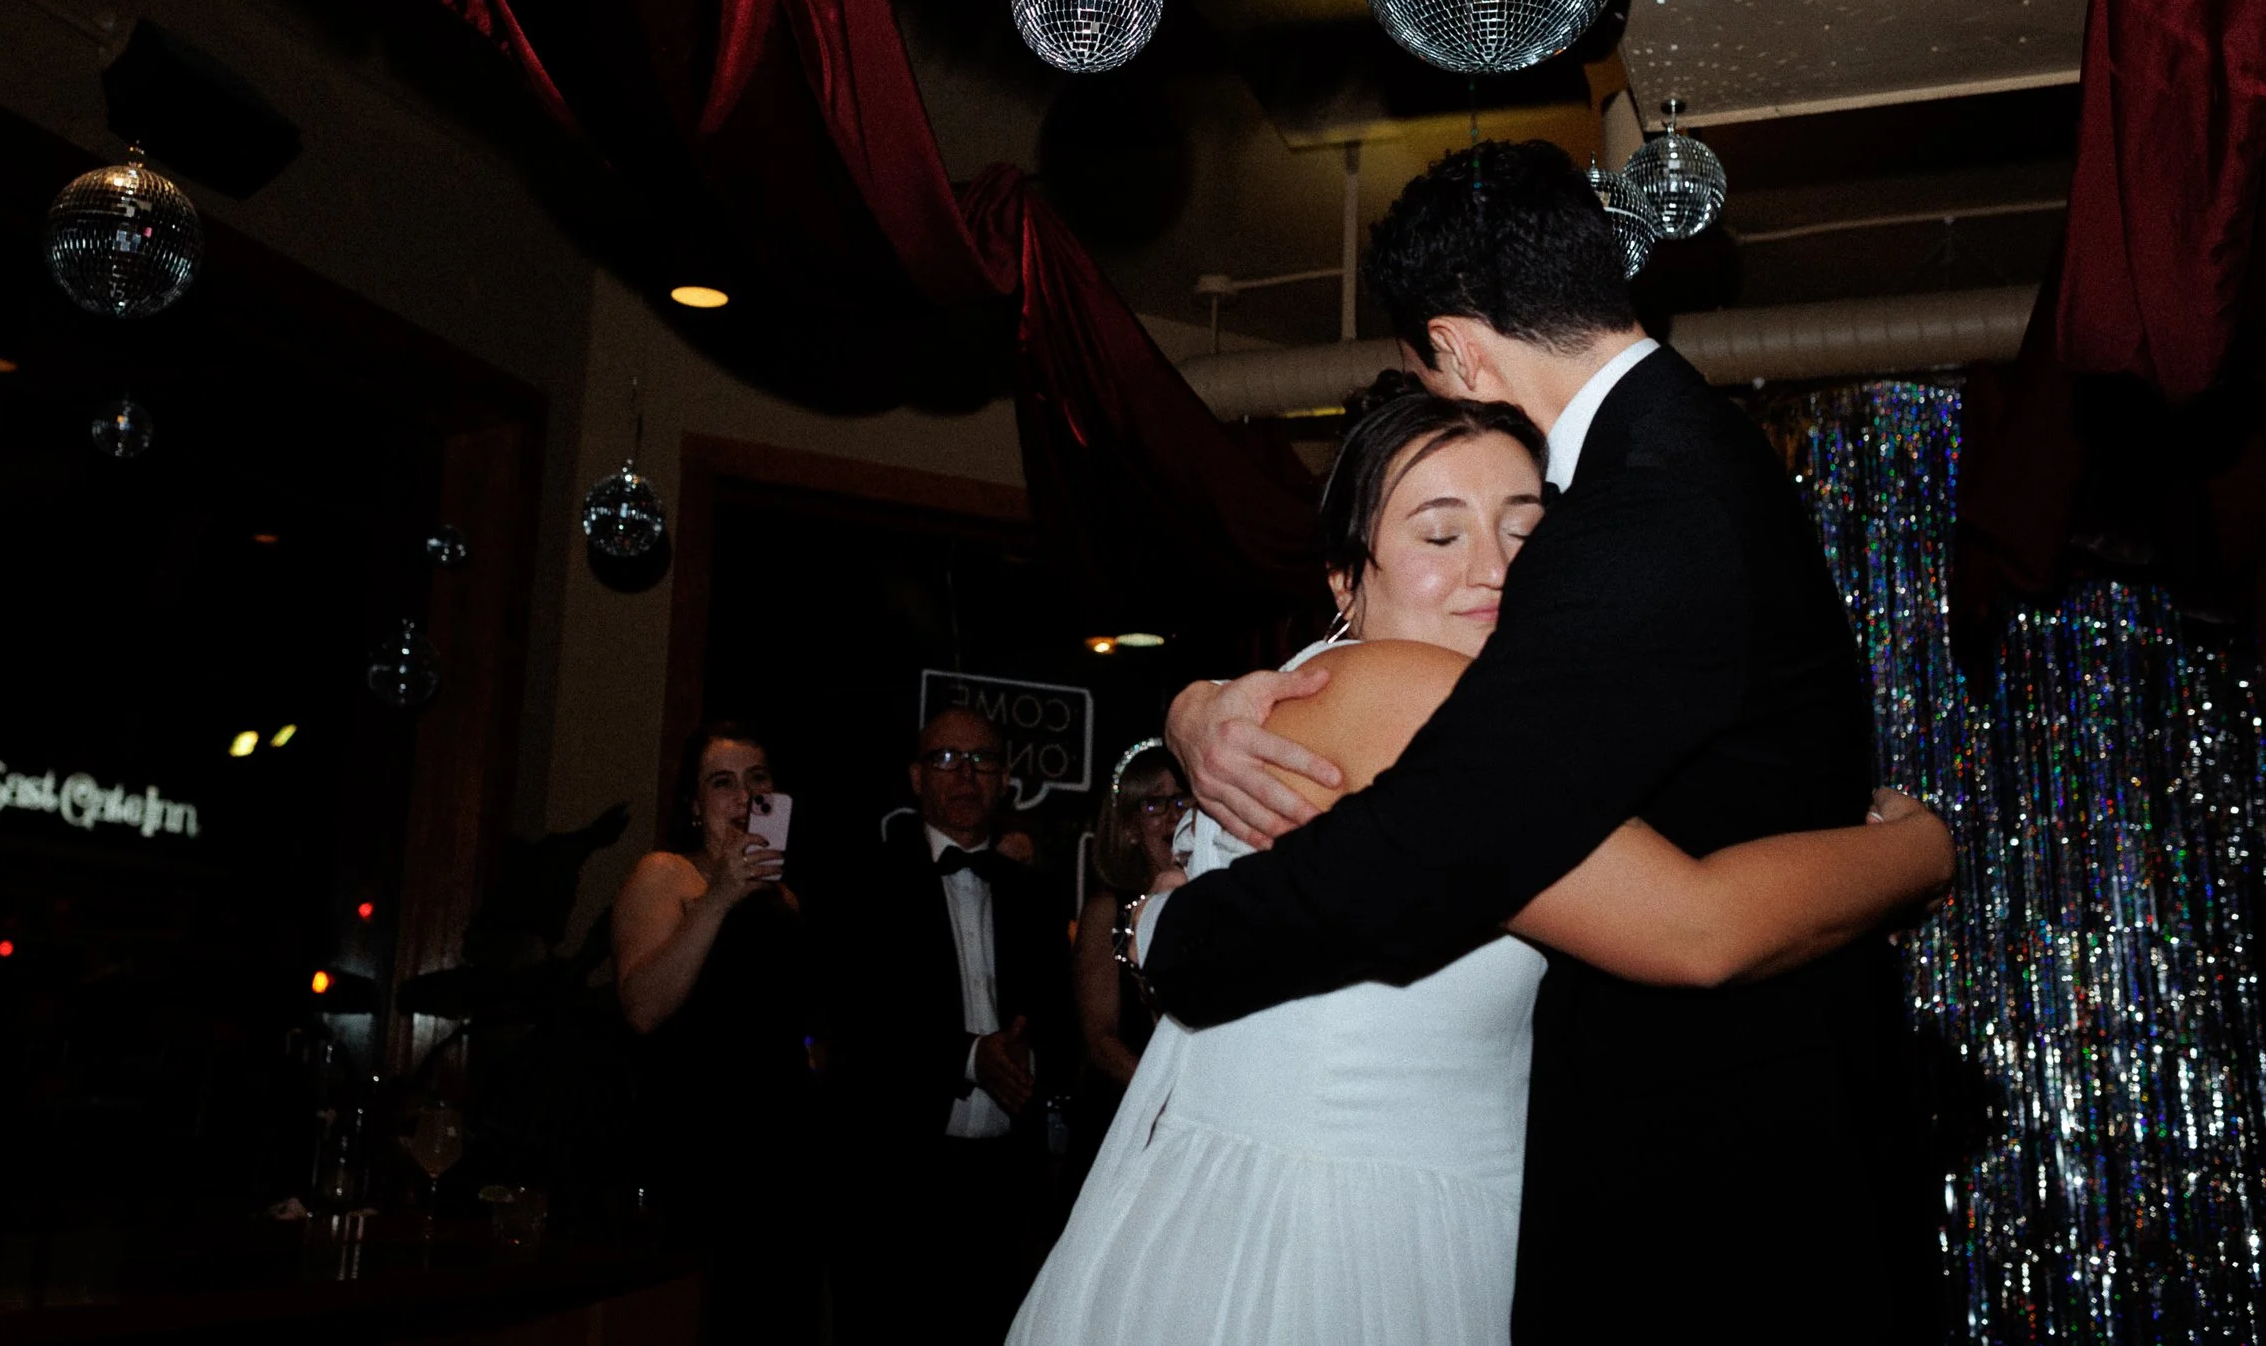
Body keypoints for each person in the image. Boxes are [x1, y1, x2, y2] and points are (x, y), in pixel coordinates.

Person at [1142, 140, 1944, 1343]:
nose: (1495, 562)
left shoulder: (1644, 501)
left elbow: (1448, 835)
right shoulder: (1687, 460)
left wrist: (1177, 936)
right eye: (1441, 531)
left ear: (1458, 345)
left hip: (1710, 1174)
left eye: (1515, 525)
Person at [829, 707, 1077, 1346]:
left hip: (1006, 1186)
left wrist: (1030, 1053)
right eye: (946, 759)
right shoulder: (866, 885)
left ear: (1004, 781)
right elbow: (855, 1022)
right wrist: (971, 1058)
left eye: (983, 761)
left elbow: (1060, 1022)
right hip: (897, 1181)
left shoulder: (1036, 896)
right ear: (916, 778)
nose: (966, 774)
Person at [611, 720, 816, 1345]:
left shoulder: (784, 899)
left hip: (781, 1157)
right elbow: (643, 1007)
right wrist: (722, 895)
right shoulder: (665, 873)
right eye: (722, 783)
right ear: (694, 806)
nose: (744, 797)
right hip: (699, 1151)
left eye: (758, 780)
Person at [1073, 743, 1182, 1096]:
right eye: (1154, 804)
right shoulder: (1108, 911)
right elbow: (1101, 1040)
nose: (1172, 816)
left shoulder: (1224, 899)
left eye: (1182, 801)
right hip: (1129, 1110)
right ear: (1130, 829)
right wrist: (1161, 1100)